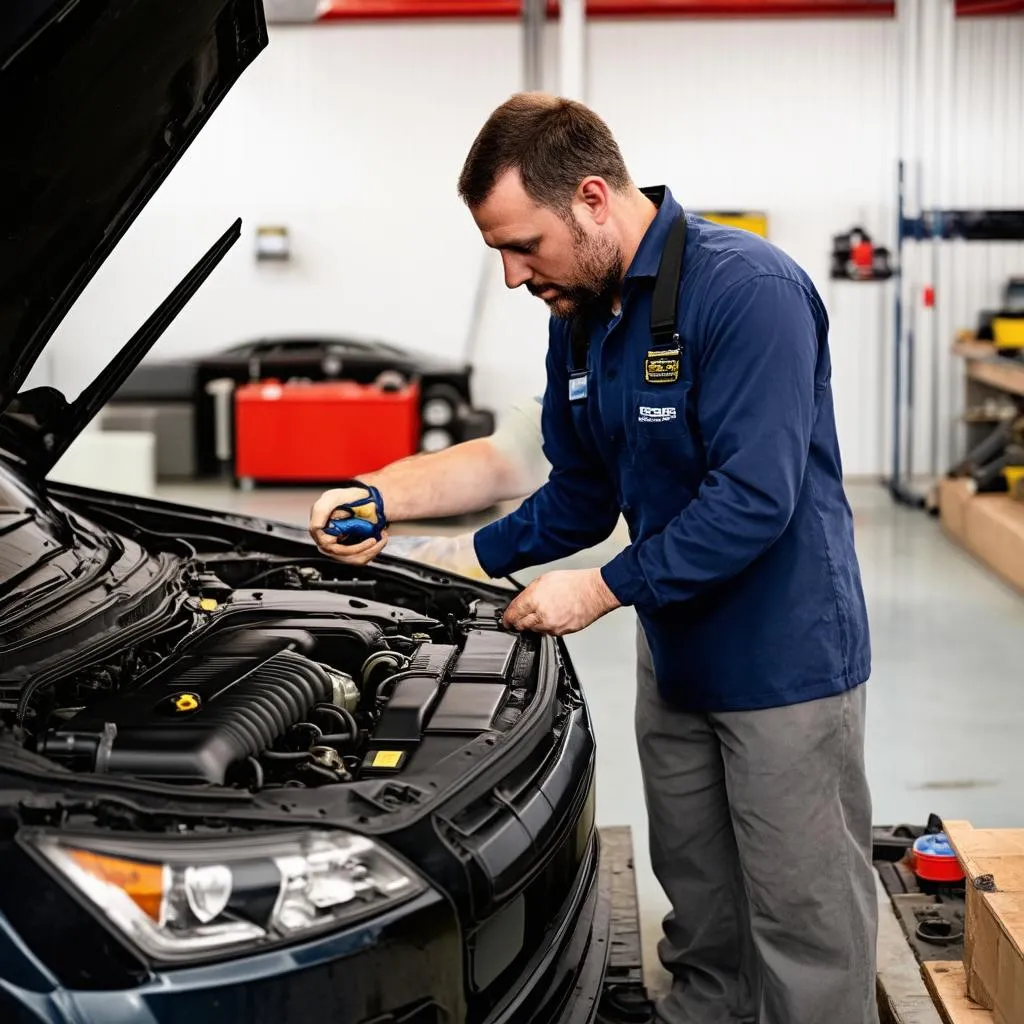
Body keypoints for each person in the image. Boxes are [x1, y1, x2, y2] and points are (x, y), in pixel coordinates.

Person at [310, 92, 877, 1024]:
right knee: (700, 904)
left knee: (803, 919)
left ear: (591, 198)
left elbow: (754, 501)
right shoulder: (580, 314)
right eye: (498, 250)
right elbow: (580, 487)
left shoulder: (748, 292)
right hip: (680, 654)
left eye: (523, 244)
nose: (511, 274)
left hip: (785, 663)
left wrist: (605, 588)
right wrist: (452, 557)